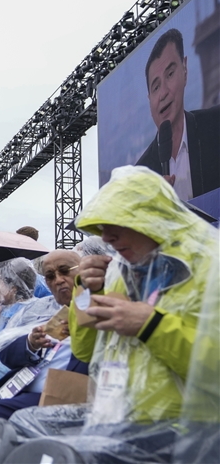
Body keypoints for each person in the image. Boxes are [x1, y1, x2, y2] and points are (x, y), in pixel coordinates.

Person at [71, 165, 218, 426]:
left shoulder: (211, 265)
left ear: (151, 216)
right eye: (102, 225)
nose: (106, 236)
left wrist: (152, 326)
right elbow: (85, 351)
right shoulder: (118, 271)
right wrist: (85, 290)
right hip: (119, 422)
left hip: (192, 436)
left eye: (117, 220)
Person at [0, 250, 89, 419]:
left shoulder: (98, 307)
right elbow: (3, 355)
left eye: (64, 271)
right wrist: (30, 343)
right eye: (50, 276)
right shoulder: (53, 310)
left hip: (62, 395)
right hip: (20, 385)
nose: (58, 280)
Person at [135, 28, 220, 200]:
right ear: (149, 99)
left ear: (185, 71)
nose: (164, 93)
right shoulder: (140, 176)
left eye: (170, 74)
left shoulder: (215, 126)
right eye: (156, 87)